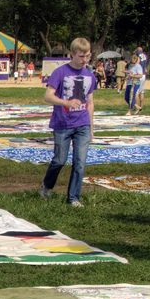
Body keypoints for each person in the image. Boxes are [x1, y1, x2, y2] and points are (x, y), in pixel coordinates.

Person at [39, 37, 96, 208]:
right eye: (81, 56)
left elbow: (91, 102)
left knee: (80, 162)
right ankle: (46, 187)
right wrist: (66, 103)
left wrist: (92, 128)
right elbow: (48, 96)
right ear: (72, 54)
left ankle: (73, 198)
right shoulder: (60, 72)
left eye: (87, 56)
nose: (84, 60)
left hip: (83, 124)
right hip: (63, 124)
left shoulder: (90, 75)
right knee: (59, 160)